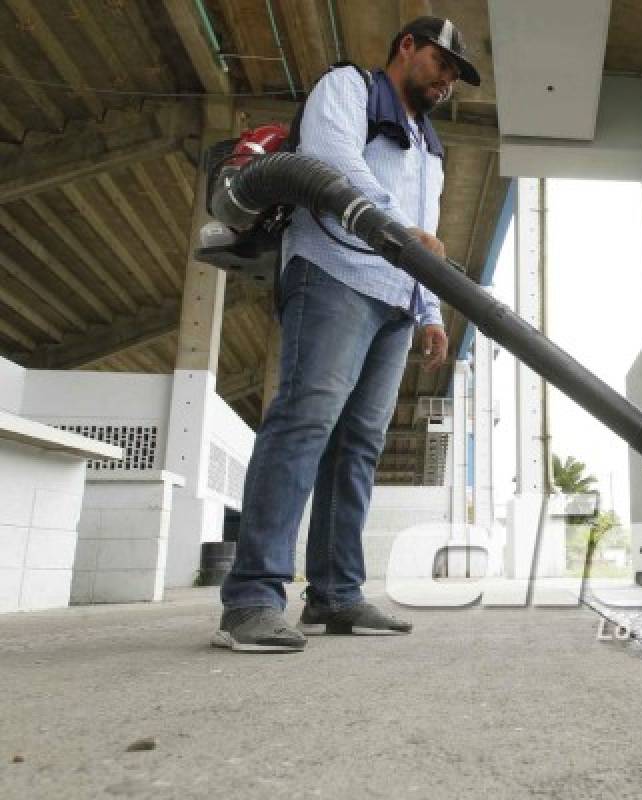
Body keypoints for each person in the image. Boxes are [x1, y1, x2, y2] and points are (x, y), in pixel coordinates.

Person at [213, 17, 482, 653]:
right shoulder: (349, 88)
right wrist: (390, 227)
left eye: (455, 75)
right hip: (334, 273)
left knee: (358, 446)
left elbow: (427, 231)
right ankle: (251, 598)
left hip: (394, 299)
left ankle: (335, 596)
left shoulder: (430, 147)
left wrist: (430, 312)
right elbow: (329, 161)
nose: (446, 80)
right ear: (407, 47)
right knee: (305, 421)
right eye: (441, 62)